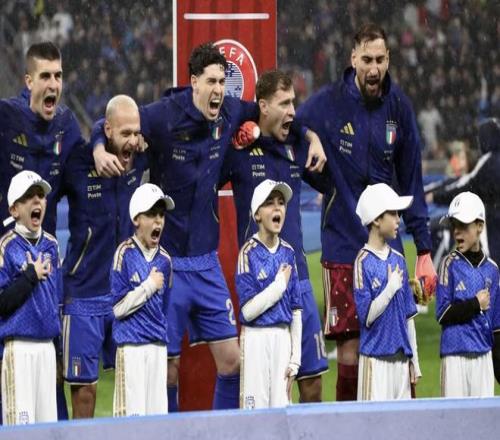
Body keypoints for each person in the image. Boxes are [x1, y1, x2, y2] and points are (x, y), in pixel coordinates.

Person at [91, 42, 326, 410]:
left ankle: (223, 431)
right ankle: (166, 433)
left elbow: (278, 112)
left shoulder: (230, 111)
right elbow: (116, 120)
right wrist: (97, 147)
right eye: (212, 81)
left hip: (207, 264)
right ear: (194, 82)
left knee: (232, 363)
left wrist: (311, 136)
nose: (218, 89)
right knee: (168, 369)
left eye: (222, 82)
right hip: (168, 264)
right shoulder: (164, 115)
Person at [297, 23, 435, 401]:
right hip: (343, 240)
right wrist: (313, 143)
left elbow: (412, 179)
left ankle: (398, 422)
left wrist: (424, 249)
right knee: (350, 350)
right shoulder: (329, 102)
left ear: (389, 59)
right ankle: (348, 425)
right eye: (367, 60)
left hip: (388, 248)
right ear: (353, 59)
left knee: (399, 339)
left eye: (380, 60)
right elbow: (292, 126)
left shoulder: (399, 107)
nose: (374, 69)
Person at [221, 70, 328, 402]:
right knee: (264, 386)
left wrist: (312, 136)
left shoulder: (297, 144)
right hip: (259, 282)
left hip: (299, 278)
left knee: (312, 381)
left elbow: (329, 178)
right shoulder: (238, 149)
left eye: (293, 103)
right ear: (263, 107)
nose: (292, 111)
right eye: (284, 104)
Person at [0, 41, 86, 420]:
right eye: (46, 76)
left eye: (59, 76)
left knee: (51, 395)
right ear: (29, 80)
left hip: (45, 262)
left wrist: (101, 144)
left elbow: (85, 164)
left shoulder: (67, 125)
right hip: (7, 263)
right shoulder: (6, 117)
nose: (54, 84)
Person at [61, 95, 148, 418]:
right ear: (108, 130)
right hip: (83, 293)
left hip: (125, 293)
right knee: (85, 391)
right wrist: (97, 147)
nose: (132, 141)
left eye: (135, 133)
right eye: (124, 133)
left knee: (133, 386)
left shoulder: (139, 158)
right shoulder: (79, 163)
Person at [0, 171, 61, 424]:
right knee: (21, 430)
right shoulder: (6, 246)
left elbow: (56, 300)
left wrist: (58, 352)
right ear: (14, 209)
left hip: (47, 349)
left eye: (40, 195)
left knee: (47, 430)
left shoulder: (52, 245)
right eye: (28, 197)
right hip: (19, 349)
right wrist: (30, 276)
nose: (37, 201)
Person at [236, 179, 302, 408]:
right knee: (254, 416)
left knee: (283, 414)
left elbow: (296, 309)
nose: (277, 208)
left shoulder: (288, 253)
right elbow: (247, 311)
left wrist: (295, 360)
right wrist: (278, 287)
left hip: (282, 340)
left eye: (281, 203)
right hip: (255, 340)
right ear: (257, 214)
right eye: (269, 203)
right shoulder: (248, 253)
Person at [111, 183, 174, 416]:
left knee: (158, 423)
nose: (158, 221)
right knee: (130, 424)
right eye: (151, 215)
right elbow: (118, 308)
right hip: (131, 349)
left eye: (161, 215)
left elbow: (164, 308)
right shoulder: (124, 254)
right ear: (137, 219)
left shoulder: (166, 260)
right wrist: (148, 286)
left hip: (157, 348)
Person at [353, 183, 421, 400]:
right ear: (376, 220)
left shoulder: (399, 260)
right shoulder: (362, 262)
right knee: (372, 422)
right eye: (393, 213)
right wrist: (390, 289)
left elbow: (409, 316)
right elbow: (367, 316)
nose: (398, 219)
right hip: (375, 363)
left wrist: (414, 361)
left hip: (401, 363)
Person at [436, 191, 500, 397]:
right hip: (454, 356)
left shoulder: (492, 270)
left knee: (484, 417)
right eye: (454, 226)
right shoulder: (448, 265)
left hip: (483, 358)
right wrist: (475, 304)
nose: (457, 232)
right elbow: (442, 313)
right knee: (453, 417)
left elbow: (496, 326)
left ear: (479, 226)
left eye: (463, 225)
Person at [427, 118, 500, 265]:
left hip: (492, 218)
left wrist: (435, 196)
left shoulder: (488, 161)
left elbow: (467, 186)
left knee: (491, 260)